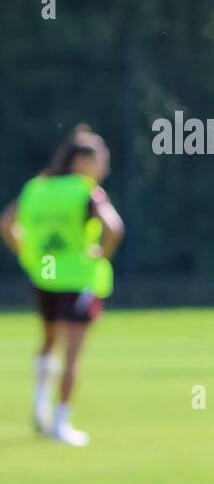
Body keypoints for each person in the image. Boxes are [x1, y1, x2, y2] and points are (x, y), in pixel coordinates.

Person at [1, 125, 124, 446]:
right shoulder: (86, 190)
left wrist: (26, 255)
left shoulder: (36, 187)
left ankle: (39, 409)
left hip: (43, 276)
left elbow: (6, 224)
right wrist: (101, 255)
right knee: (72, 354)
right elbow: (114, 227)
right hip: (77, 279)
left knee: (47, 342)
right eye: (100, 161)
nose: (104, 169)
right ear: (82, 162)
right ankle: (61, 423)